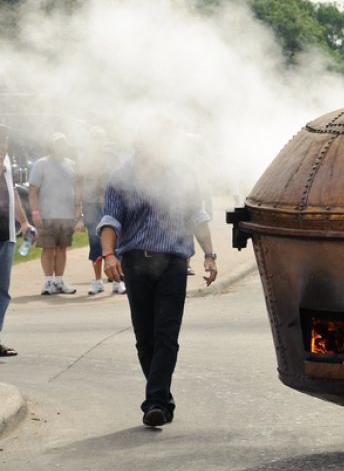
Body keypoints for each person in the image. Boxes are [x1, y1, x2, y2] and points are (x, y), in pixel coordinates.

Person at [98, 129, 218, 427]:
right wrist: (109, 254)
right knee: (144, 339)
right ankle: (162, 400)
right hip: (136, 263)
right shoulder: (121, 177)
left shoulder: (182, 173)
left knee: (166, 334)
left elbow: (197, 215)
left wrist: (210, 255)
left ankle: (154, 402)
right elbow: (110, 219)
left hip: (173, 264)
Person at [28, 132, 82, 295]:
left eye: (64, 143)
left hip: (66, 215)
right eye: (58, 143)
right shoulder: (41, 164)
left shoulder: (72, 164)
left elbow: (78, 189)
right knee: (48, 249)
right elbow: (32, 192)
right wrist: (35, 213)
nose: (62, 146)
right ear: (51, 145)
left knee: (62, 249)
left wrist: (78, 211)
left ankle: (59, 281)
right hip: (47, 214)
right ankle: (48, 282)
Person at [1, 124, 33, 357]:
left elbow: (12, 192)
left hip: (6, 236)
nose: (1, 150)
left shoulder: (7, 162)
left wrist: (23, 222)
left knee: (2, 292)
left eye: (4, 145)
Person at [79, 127, 123, 295]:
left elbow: (120, 180)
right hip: (90, 204)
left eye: (99, 139)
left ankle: (117, 281)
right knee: (95, 242)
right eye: (94, 139)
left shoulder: (112, 158)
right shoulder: (84, 159)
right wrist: (78, 209)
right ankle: (97, 281)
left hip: (109, 203)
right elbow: (79, 183)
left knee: (115, 242)